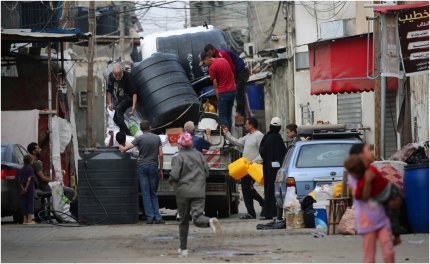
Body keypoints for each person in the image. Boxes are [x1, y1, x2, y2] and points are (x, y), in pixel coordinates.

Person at [169, 132, 222, 257]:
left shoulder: (178, 157)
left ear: (180, 144)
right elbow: (207, 172)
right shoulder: (199, 155)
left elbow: (175, 175)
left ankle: (183, 249)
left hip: (183, 192)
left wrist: (171, 181)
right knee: (197, 218)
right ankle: (210, 221)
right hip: (199, 191)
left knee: (183, 221)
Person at [347, 144, 395, 263]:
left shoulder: (373, 170)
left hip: (382, 220)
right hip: (366, 222)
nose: (372, 151)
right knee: (369, 257)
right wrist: (368, 181)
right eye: (369, 150)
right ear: (360, 155)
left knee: (389, 253)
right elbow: (362, 197)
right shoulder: (354, 176)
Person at [344, 155, 402, 245]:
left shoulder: (370, 170)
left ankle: (396, 237)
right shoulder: (361, 183)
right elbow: (361, 197)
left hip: (391, 193)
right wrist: (353, 188)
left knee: (392, 216)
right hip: (381, 199)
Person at [119, 120, 164, 224]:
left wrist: (120, 146)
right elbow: (161, 155)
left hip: (142, 167)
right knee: (153, 193)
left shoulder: (139, 138)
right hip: (153, 166)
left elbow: (125, 149)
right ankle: (158, 217)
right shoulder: (157, 138)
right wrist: (160, 170)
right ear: (150, 127)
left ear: (141, 128)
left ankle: (150, 217)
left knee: (145, 193)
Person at [223, 117, 264, 219]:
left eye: (246, 124)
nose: (245, 126)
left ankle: (256, 208)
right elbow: (238, 142)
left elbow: (263, 152)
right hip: (245, 168)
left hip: (253, 168)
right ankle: (255, 208)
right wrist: (227, 134)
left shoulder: (259, 136)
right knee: (246, 189)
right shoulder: (248, 136)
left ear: (251, 125)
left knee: (247, 189)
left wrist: (253, 162)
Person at [205, 44, 249, 124]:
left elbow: (231, 67)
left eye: (210, 53)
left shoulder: (222, 54)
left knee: (239, 91)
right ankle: (241, 115)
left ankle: (240, 113)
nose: (209, 55)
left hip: (240, 71)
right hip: (235, 75)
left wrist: (233, 81)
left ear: (213, 49)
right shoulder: (216, 59)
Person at [199, 51, 236, 132]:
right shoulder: (223, 60)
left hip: (223, 93)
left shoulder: (212, 68)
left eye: (204, 63)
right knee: (228, 115)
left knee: (222, 116)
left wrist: (218, 98)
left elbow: (215, 85)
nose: (204, 65)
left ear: (207, 58)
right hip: (232, 91)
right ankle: (229, 138)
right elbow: (232, 75)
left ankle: (227, 137)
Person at [259, 117, 287, 220]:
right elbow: (283, 154)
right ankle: (273, 211)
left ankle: (267, 212)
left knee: (268, 189)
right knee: (275, 190)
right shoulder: (278, 138)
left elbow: (261, 151)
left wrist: (268, 161)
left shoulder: (266, 136)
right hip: (276, 170)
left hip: (267, 168)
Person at [107, 63, 138, 136]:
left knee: (118, 110)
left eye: (119, 75)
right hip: (121, 98)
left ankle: (128, 134)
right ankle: (124, 132)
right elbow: (109, 91)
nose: (117, 77)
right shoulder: (111, 76)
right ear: (113, 73)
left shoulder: (128, 76)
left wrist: (133, 106)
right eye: (116, 75)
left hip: (129, 97)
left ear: (122, 72)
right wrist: (110, 103)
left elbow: (134, 93)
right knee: (115, 119)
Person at [18, 155, 36, 224]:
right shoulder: (30, 168)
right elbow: (29, 178)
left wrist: (23, 188)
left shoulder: (21, 169)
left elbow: (19, 180)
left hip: (22, 188)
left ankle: (24, 220)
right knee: (30, 202)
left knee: (24, 203)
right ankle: (29, 219)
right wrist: (26, 188)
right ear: (30, 161)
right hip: (30, 188)